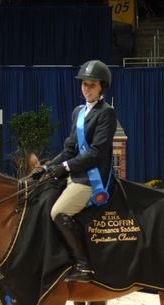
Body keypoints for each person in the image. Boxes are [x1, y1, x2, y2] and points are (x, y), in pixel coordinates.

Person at [35, 60, 116, 280]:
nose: (86, 89)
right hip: (74, 174)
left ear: (101, 87)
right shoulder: (78, 112)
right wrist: (46, 167)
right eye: (84, 84)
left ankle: (84, 266)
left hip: (90, 179)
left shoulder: (106, 114)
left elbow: (96, 153)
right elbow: (70, 149)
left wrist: (63, 168)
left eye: (92, 85)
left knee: (58, 212)